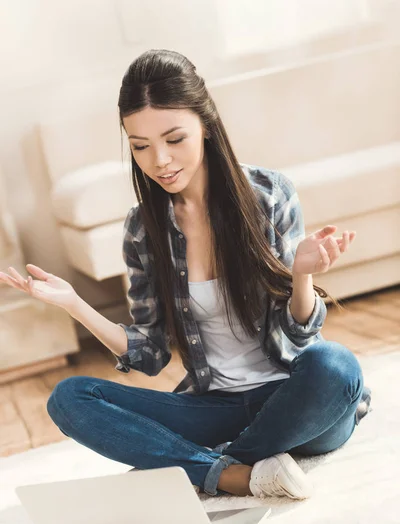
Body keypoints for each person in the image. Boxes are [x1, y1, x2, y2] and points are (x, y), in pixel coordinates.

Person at [0, 49, 371, 500]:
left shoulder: (270, 195)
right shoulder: (142, 230)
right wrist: (74, 304)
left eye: (174, 139)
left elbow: (299, 335)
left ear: (206, 126)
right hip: (212, 406)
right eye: (140, 146)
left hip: (295, 400)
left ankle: (200, 465)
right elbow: (151, 354)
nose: (159, 160)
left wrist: (301, 276)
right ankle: (235, 473)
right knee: (69, 398)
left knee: (336, 366)